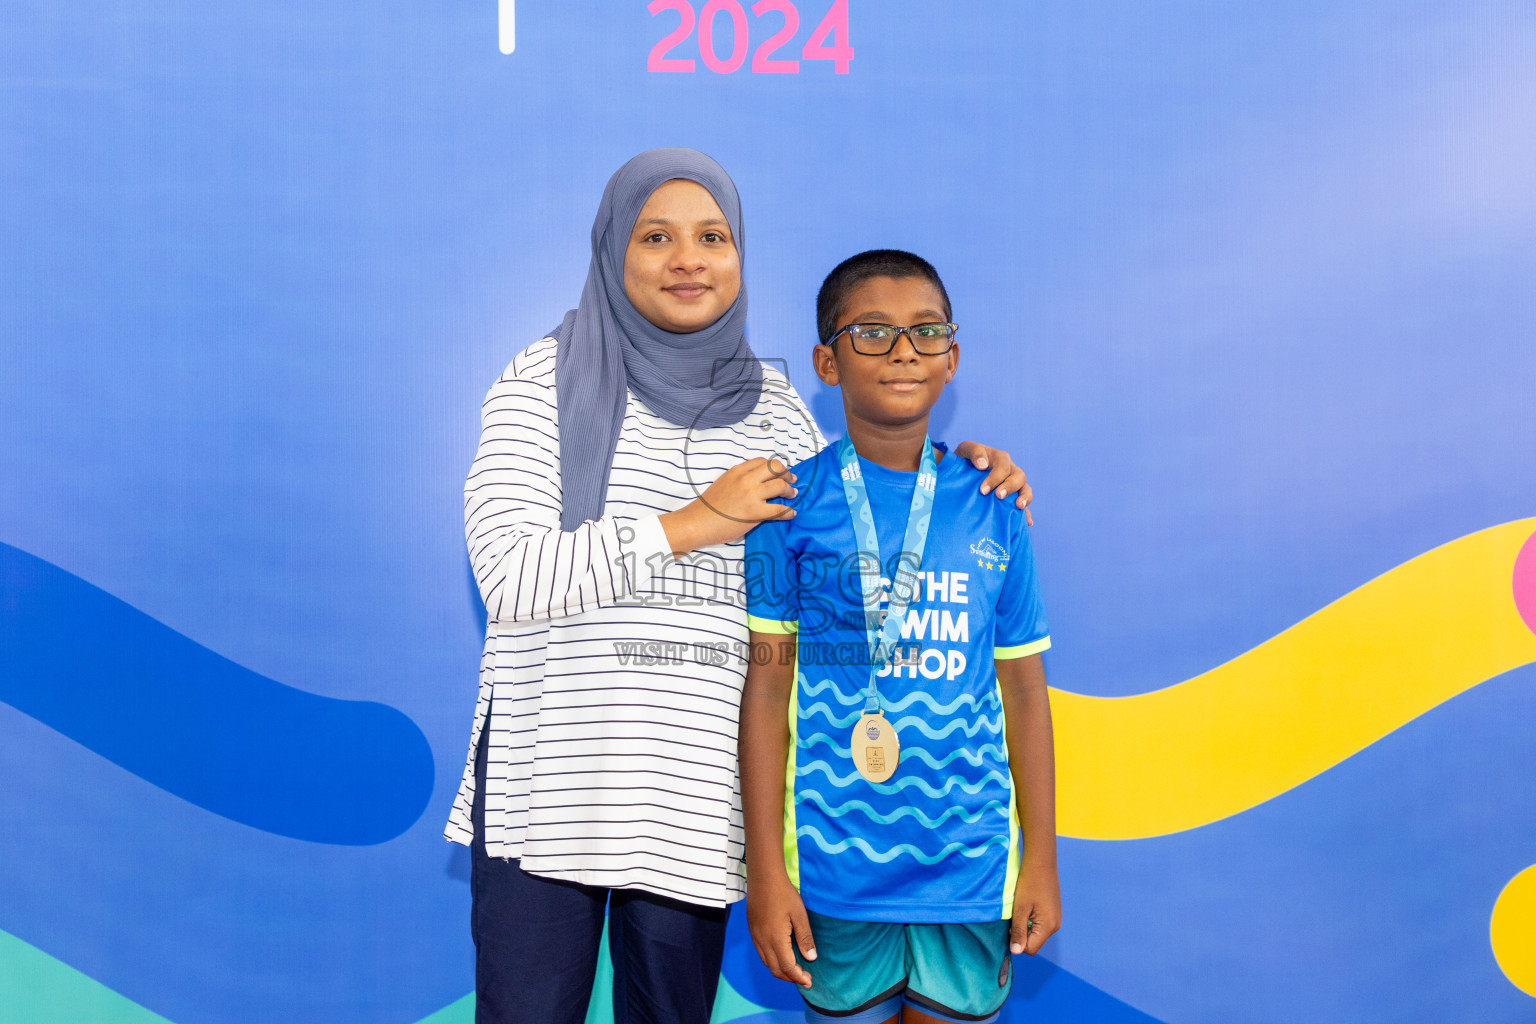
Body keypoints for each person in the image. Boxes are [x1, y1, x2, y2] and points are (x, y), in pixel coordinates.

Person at [444, 151, 1036, 1024]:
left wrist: (968, 476)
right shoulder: (541, 382)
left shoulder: (775, 407)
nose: (689, 260)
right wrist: (696, 521)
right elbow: (510, 577)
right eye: (657, 237)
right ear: (613, 252)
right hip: (552, 799)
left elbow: (845, 558)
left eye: (712, 237)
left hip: (694, 805)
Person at [739, 250, 1060, 1024]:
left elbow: (1023, 690)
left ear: (952, 358)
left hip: (971, 865)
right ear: (827, 361)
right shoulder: (788, 508)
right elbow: (768, 688)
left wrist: (1042, 856)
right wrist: (766, 874)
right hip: (835, 865)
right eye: (873, 332)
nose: (905, 351)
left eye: (926, 332)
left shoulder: (994, 504)